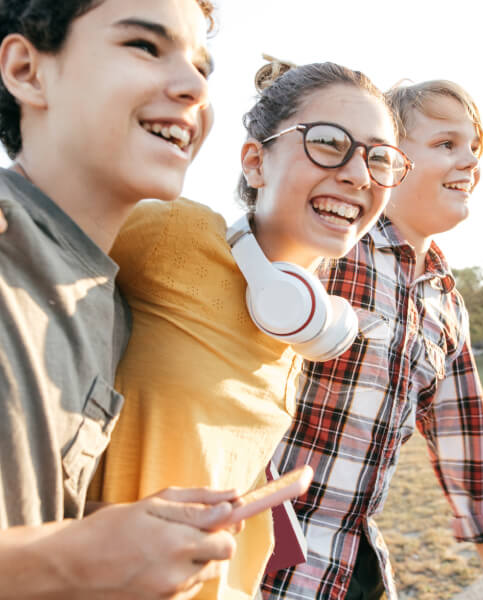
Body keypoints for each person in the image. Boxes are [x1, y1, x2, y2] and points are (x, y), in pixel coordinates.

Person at [90, 59, 413, 600]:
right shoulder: (177, 232)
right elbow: (32, 227)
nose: (359, 174)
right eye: (329, 143)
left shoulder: (303, 326)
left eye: (380, 158)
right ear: (255, 162)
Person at [0, 1, 239, 597]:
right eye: (144, 46)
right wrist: (69, 562)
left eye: (203, 68)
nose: (193, 88)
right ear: (28, 70)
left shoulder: (111, 307)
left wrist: (121, 536)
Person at [262, 80, 483, 600]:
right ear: (389, 160)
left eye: (474, 148)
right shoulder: (330, 249)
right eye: (446, 144)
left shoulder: (446, 303)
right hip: (268, 571)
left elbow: (465, 447)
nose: (469, 161)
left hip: (357, 570)